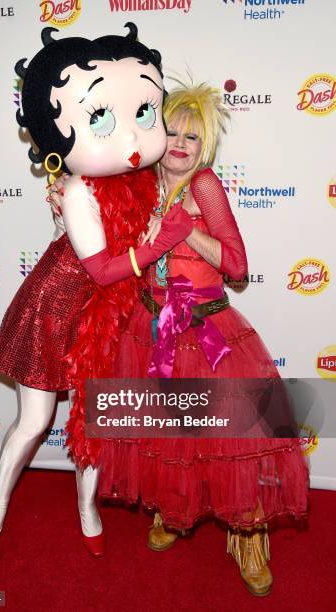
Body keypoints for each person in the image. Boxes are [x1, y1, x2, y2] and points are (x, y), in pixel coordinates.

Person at [0, 24, 194, 560]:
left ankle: (88, 508)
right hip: (56, 308)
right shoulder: (77, 190)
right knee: (35, 421)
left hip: (112, 316)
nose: (131, 136)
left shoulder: (144, 182)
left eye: (144, 113)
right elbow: (100, 269)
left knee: (94, 420)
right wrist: (160, 241)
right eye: (100, 117)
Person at [96, 81, 309, 595]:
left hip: (206, 330)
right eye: (171, 131)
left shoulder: (205, 186)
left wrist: (185, 230)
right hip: (151, 329)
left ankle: (249, 536)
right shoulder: (141, 182)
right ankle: (174, 510)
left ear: (206, 143)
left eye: (193, 136)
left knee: (235, 441)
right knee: (169, 434)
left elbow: (238, 266)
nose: (180, 143)